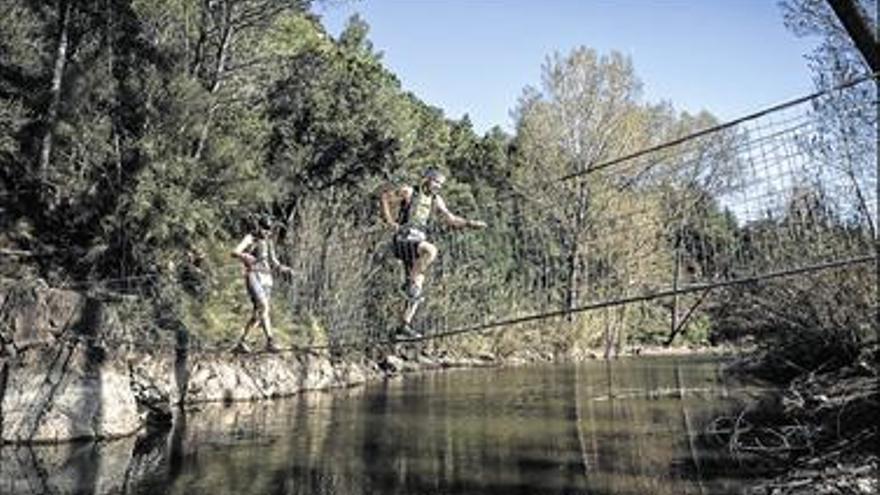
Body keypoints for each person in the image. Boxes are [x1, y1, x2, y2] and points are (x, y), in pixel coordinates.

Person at [380, 168, 487, 339]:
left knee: (418, 288)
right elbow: (385, 197)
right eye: (436, 182)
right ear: (427, 179)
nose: (438, 186)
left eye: (441, 184)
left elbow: (450, 218)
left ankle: (403, 326)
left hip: (417, 244)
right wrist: (390, 221)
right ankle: (409, 285)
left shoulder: (436, 200)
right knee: (431, 250)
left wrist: (469, 223)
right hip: (403, 240)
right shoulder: (409, 191)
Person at [231, 216, 294, 353]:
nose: (266, 232)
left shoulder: (269, 242)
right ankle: (270, 340)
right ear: (258, 226)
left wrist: (284, 268)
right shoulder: (250, 238)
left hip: (267, 279)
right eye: (264, 228)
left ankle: (244, 342)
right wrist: (244, 256)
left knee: (259, 313)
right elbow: (235, 252)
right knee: (264, 306)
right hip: (253, 275)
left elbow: (274, 262)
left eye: (269, 229)